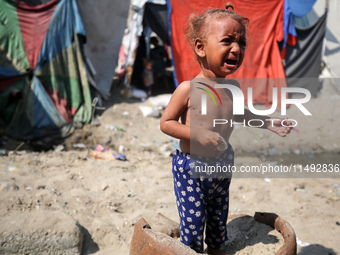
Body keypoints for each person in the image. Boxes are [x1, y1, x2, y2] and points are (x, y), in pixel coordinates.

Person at [160, 3, 292, 255]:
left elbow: (240, 113)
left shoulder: (232, 89)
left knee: (219, 217)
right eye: (227, 41)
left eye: (241, 43)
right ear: (200, 47)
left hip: (222, 164)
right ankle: (193, 250)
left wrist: (268, 122)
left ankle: (217, 248)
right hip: (191, 167)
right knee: (193, 220)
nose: (236, 48)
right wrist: (196, 134)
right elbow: (166, 123)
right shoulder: (188, 89)